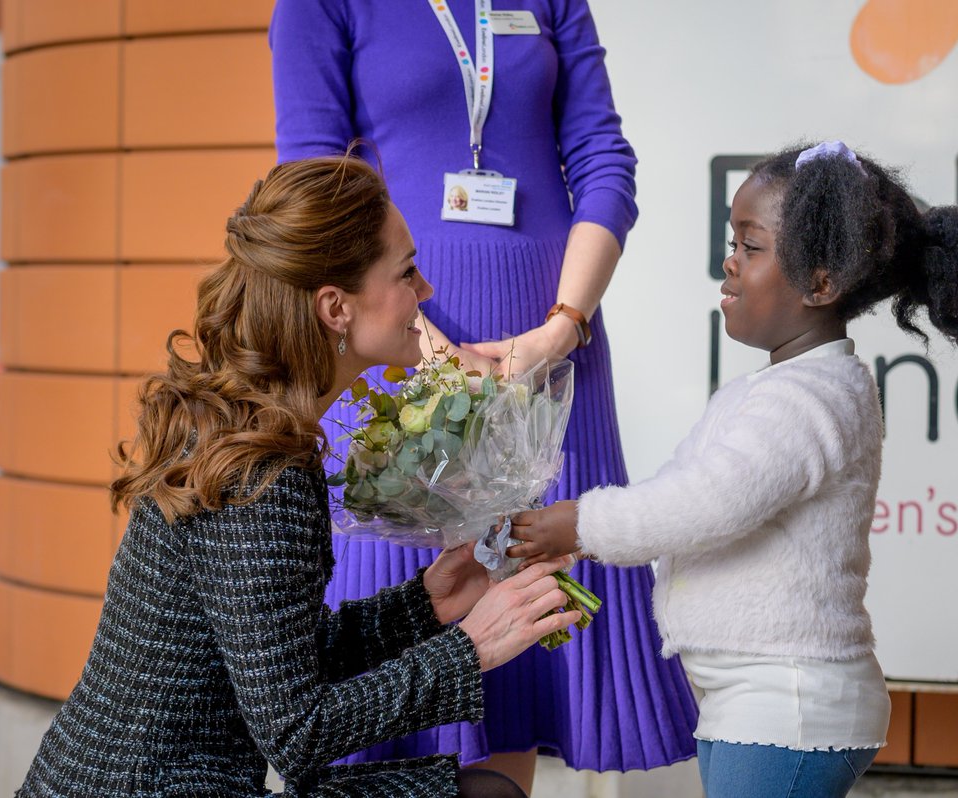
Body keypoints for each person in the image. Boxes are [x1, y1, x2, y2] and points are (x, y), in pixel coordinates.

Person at [17, 155, 580, 798]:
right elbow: (296, 733)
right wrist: (471, 648)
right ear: (336, 307)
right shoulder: (264, 471)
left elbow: (278, 665)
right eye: (406, 272)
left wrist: (426, 605)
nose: (425, 292)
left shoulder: (248, 428)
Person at [269, 0, 697, 790]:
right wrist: (433, 354)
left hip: (549, 347)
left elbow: (602, 155)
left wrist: (562, 328)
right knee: (400, 603)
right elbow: (312, 182)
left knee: (521, 621)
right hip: (396, 342)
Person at [507, 141, 958, 798]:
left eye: (751, 246)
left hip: (787, 704)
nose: (730, 261)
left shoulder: (810, 400)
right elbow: (676, 497)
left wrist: (580, 523)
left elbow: (705, 503)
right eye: (732, 242)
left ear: (820, 284)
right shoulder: (771, 391)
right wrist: (580, 539)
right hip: (755, 701)